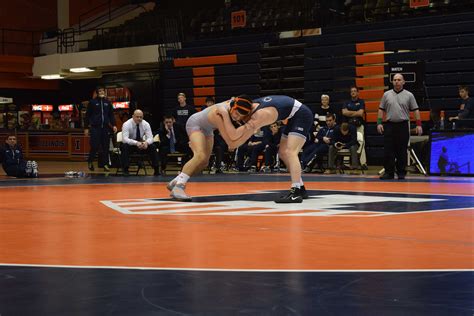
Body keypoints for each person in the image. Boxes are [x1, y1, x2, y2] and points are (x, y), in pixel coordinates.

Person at [216, 95, 313, 203]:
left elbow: (236, 137)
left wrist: (225, 116)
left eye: (238, 116)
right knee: (282, 153)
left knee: (291, 152)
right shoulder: (247, 104)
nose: (236, 118)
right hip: (292, 116)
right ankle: (301, 188)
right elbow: (231, 103)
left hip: (301, 115)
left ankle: (296, 192)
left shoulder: (260, 115)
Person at [166, 99, 240, 201]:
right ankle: (179, 187)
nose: (238, 117)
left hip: (208, 129)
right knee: (200, 156)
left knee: (204, 162)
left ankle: (175, 181)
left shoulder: (234, 106)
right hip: (195, 123)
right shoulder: (221, 111)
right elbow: (227, 135)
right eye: (237, 114)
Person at [377, 73, 423, 180]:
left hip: (402, 126)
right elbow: (381, 109)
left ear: (403, 82)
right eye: (395, 80)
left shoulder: (409, 95)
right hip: (389, 125)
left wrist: (418, 125)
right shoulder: (386, 94)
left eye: (399, 80)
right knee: (388, 150)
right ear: (392, 82)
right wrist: (379, 123)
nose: (397, 81)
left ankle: (401, 172)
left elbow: (416, 110)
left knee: (401, 150)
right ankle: (389, 173)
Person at [84, 86, 117, 171]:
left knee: (105, 147)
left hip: (105, 128)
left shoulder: (108, 102)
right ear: (97, 92)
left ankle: (105, 164)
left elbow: (111, 115)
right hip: (95, 128)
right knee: (94, 146)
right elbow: (87, 115)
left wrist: (114, 125)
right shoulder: (92, 102)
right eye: (100, 91)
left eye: (103, 91)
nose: (102, 92)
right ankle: (90, 161)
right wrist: (86, 127)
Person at [120, 110, 160, 176]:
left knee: (152, 146)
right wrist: (136, 143)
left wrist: (146, 143)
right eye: (137, 117)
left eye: (141, 117)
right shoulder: (126, 124)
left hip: (142, 145)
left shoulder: (146, 124)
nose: (139, 119)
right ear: (133, 116)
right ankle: (125, 169)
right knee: (124, 146)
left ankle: (156, 169)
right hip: (131, 145)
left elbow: (150, 138)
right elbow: (125, 139)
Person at [342, 86, 367, 167]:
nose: (353, 92)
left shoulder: (361, 101)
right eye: (351, 91)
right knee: (347, 142)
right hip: (349, 126)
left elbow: (361, 113)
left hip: (359, 125)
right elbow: (344, 112)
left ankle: (363, 163)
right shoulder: (346, 102)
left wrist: (349, 112)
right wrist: (356, 112)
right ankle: (346, 163)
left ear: (358, 92)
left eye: (354, 91)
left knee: (361, 142)